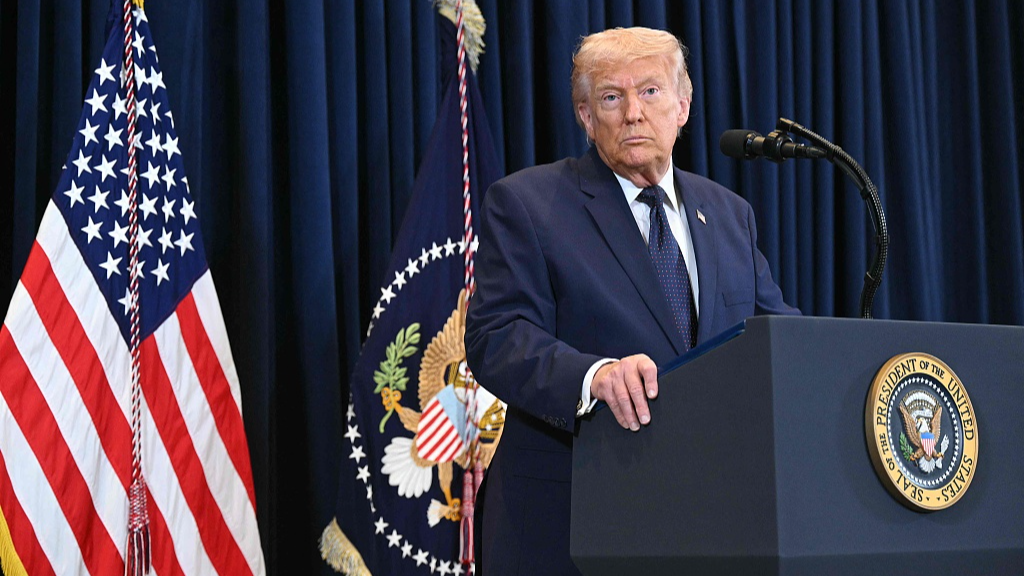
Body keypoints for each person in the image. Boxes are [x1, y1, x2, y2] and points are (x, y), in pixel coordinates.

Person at [464, 27, 799, 576]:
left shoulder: (729, 213)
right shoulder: (527, 203)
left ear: (683, 106)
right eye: (611, 98)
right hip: (571, 519)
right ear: (585, 116)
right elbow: (496, 335)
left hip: (712, 521)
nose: (633, 114)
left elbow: (775, 335)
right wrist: (593, 376)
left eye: (650, 92)